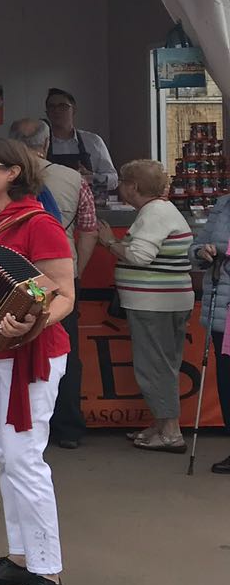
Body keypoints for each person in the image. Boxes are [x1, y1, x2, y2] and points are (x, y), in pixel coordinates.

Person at [0, 138, 76, 585]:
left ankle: (48, 571)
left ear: (12, 172)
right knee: (5, 455)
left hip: (32, 356)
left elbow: (64, 296)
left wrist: (34, 321)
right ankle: (20, 556)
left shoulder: (40, 225)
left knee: (25, 458)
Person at [9, 118, 99, 450]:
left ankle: (20, 424)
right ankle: (68, 427)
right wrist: (75, 270)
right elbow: (88, 229)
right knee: (62, 349)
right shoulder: (74, 179)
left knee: (9, 344)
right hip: (60, 277)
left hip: (14, 275)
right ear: (46, 144)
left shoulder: (0, 176)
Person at [99, 160, 193, 452]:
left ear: (134, 187)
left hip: (155, 303)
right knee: (164, 363)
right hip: (166, 300)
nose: (120, 187)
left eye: (124, 182)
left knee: (154, 366)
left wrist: (109, 242)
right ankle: (161, 424)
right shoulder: (160, 211)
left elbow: (140, 256)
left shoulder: (154, 213)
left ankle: (170, 432)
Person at [190, 188, 230, 474]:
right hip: (223, 309)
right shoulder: (223, 203)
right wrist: (202, 252)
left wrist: (224, 248)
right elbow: (196, 247)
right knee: (227, 381)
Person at [44, 88, 118, 192]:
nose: (56, 110)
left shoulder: (93, 141)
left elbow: (114, 180)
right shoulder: (41, 143)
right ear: (47, 113)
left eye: (63, 106)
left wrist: (91, 178)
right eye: (52, 107)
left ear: (74, 110)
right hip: (50, 205)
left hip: (88, 205)